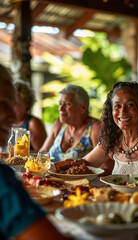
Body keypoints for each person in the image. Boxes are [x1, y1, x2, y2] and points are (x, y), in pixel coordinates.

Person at [0, 64, 72, 240]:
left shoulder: (34, 123)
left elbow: (41, 153)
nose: (13, 116)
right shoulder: (2, 180)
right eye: (4, 104)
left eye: (14, 104)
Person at [81, 81, 138, 175]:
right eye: (117, 106)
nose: (122, 111)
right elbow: (81, 165)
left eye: (130, 105)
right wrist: (61, 167)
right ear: (112, 111)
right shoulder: (113, 140)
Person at [40, 84, 99, 161]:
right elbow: (43, 152)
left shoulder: (95, 127)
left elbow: (104, 167)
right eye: (60, 104)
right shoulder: (59, 124)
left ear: (83, 107)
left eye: (67, 104)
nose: (60, 109)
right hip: (49, 173)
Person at [13, 79, 47, 152]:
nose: (12, 106)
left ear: (27, 104)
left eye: (16, 103)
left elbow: (42, 153)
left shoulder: (32, 123)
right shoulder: (6, 122)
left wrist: (18, 152)